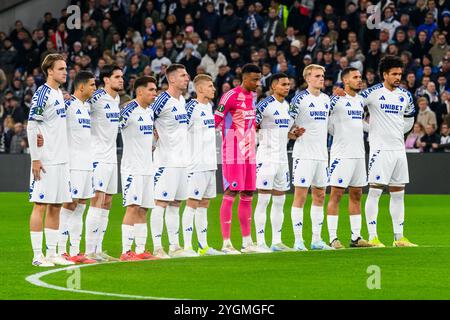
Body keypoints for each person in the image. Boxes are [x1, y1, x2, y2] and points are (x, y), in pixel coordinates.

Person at [360, 55, 417, 247]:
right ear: (385, 74)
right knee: (375, 191)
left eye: (400, 74)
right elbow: (351, 109)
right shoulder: (372, 93)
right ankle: (373, 236)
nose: (398, 77)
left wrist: (399, 132)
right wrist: (369, 128)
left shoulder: (405, 95)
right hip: (380, 149)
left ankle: (398, 237)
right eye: (394, 74)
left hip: (398, 150)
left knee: (398, 193)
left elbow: (409, 118)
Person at [28, 53, 74, 267]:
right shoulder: (42, 94)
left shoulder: (58, 93)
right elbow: (31, 125)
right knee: (40, 206)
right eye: (61, 69)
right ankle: (38, 256)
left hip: (62, 159)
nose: (65, 72)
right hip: (46, 160)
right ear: (50, 71)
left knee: (56, 206)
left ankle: (53, 253)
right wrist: (35, 159)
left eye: (66, 69)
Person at [214, 63, 263, 254]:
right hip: (233, 151)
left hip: (250, 152)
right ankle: (226, 243)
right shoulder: (230, 96)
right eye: (254, 79)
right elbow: (216, 121)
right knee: (231, 193)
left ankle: (247, 242)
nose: (257, 83)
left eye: (259, 79)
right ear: (244, 78)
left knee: (248, 194)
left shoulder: (254, 96)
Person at [254, 73, 303, 252]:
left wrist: (294, 134)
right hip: (267, 158)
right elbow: (252, 126)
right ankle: (260, 242)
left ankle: (276, 241)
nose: (287, 87)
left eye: (288, 84)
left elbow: (284, 132)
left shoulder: (287, 106)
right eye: (283, 84)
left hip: (282, 159)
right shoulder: (264, 105)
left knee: (280, 201)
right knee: (264, 200)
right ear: (274, 86)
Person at [289, 64, 333, 251]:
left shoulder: (326, 99)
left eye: (322, 75)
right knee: (300, 196)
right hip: (304, 155)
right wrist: (292, 133)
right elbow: (287, 125)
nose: (321, 78)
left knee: (320, 195)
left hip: (322, 155)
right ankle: (298, 241)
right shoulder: (299, 99)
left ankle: (316, 239)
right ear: (307, 78)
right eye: (317, 76)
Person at [327, 67, 372, 249]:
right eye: (355, 77)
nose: (359, 80)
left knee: (356, 194)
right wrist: (340, 135)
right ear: (345, 81)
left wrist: (374, 129)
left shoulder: (360, 100)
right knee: (336, 194)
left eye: (360, 77)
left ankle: (356, 237)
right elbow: (327, 123)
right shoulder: (336, 100)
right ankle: (332, 238)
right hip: (341, 154)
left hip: (359, 154)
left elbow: (359, 123)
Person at [151, 64, 192, 258]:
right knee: (160, 203)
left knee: (176, 204)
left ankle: (175, 246)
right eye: (183, 75)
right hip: (165, 161)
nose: (187, 78)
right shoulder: (161, 100)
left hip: (182, 161)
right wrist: (152, 137)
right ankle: (158, 247)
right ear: (172, 79)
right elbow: (145, 116)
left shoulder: (182, 100)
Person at [57, 71, 97, 264]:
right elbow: (52, 124)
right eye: (92, 85)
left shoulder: (86, 106)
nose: (94, 88)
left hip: (86, 163)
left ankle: (75, 251)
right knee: (69, 205)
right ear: (81, 86)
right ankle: (61, 250)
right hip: (72, 164)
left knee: (80, 207)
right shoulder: (67, 104)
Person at [85, 65, 124, 262]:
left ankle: (98, 249)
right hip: (97, 156)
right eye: (117, 77)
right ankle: (89, 250)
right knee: (97, 200)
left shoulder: (116, 99)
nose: (121, 80)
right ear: (106, 79)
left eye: (122, 77)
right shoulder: (96, 97)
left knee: (107, 202)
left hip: (110, 157)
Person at [119, 76, 159, 261]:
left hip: (147, 167)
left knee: (144, 208)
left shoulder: (150, 111)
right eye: (151, 90)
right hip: (132, 167)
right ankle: (126, 251)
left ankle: (141, 250)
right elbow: (114, 128)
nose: (155, 93)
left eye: (155, 89)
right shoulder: (128, 109)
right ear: (140, 91)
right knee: (133, 207)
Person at [183, 74, 223, 256]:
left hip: (209, 163)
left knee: (204, 204)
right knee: (192, 203)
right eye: (210, 86)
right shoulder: (191, 106)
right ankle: (187, 247)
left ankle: (203, 246)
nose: (213, 89)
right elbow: (179, 130)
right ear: (199, 89)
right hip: (195, 164)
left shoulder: (209, 107)